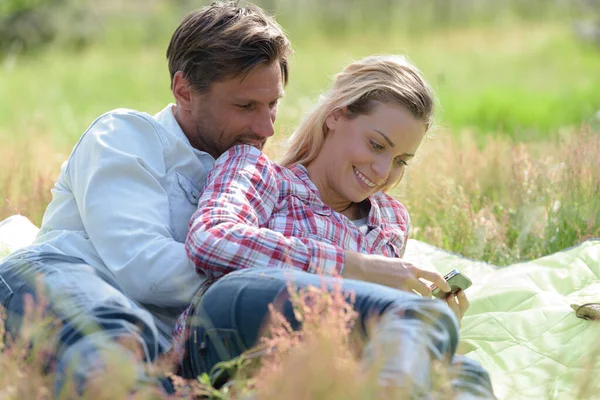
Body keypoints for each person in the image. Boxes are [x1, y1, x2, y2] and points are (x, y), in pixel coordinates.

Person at [0, 1, 292, 394]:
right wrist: (277, 271)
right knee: (114, 339)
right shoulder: (124, 136)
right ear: (184, 90)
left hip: (160, 339)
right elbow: (147, 270)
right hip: (59, 282)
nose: (266, 128)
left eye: (273, 104)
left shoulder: (250, 177)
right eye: (245, 106)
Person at [177, 55, 496, 398]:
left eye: (401, 161)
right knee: (409, 318)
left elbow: (372, 321)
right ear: (335, 116)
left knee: (468, 373)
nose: (382, 172)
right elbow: (212, 240)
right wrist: (357, 267)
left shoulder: (390, 222)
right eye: (376, 145)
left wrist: (434, 322)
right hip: (228, 328)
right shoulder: (259, 171)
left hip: (325, 364)